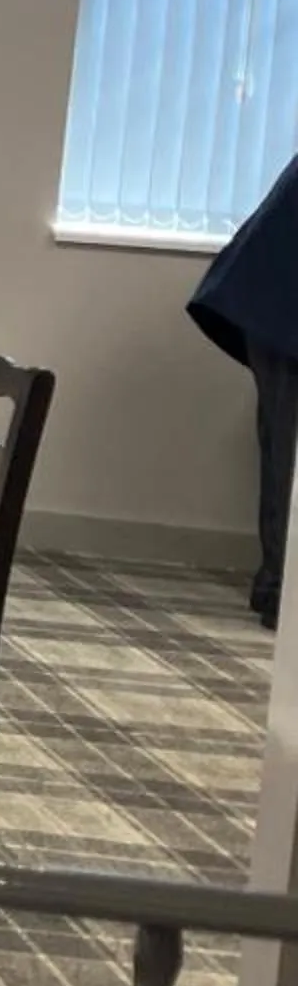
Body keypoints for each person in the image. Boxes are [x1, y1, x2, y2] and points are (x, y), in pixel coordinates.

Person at [190, 152, 298, 629]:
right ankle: (281, 592)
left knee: (286, 449)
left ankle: (278, 587)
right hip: (281, 298)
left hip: (276, 298)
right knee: (290, 457)